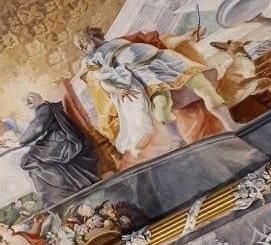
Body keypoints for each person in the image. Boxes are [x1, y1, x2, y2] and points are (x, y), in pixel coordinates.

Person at [75, 27, 235, 157]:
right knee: (161, 105)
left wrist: (185, 37)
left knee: (203, 86)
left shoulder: (123, 40)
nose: (81, 46)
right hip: (146, 74)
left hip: (165, 60)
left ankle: (231, 126)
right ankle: (180, 143)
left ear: (90, 34)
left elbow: (161, 42)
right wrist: (116, 89)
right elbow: (101, 81)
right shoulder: (92, 60)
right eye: (79, 46)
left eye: (81, 40)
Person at [19, 92, 100, 207]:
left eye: (30, 97)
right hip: (58, 139)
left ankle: (60, 193)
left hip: (62, 140)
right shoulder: (46, 107)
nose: (27, 101)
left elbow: (37, 127)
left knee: (31, 159)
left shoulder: (44, 107)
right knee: (33, 158)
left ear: (39, 97)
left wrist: (19, 141)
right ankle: (58, 193)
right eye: (24, 99)